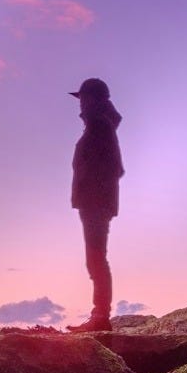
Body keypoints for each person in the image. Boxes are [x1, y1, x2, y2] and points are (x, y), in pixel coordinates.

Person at [67, 78, 124, 333]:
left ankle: (100, 318)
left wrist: (91, 192)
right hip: (94, 202)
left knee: (96, 259)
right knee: (96, 258)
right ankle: (99, 316)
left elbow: (114, 167)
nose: (79, 106)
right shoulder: (99, 125)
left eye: (82, 99)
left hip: (95, 203)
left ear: (92, 100)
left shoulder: (100, 126)